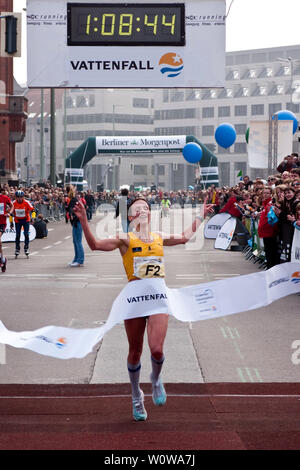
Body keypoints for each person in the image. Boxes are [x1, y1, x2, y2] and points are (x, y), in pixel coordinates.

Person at [73, 196, 214, 421]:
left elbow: (185, 237)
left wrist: (201, 214)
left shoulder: (159, 237)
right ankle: (136, 395)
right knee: (135, 351)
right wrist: (83, 222)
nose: (142, 211)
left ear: (151, 214)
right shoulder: (125, 239)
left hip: (158, 299)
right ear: (130, 217)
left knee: (157, 350)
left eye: (146, 208)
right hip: (135, 301)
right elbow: (95, 245)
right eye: (137, 208)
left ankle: (156, 380)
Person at [257, 187, 280, 269]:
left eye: (267, 193)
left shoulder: (270, 204)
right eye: (264, 193)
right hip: (265, 232)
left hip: (270, 232)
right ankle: (270, 267)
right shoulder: (265, 204)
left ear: (271, 194)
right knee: (268, 251)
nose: (265, 194)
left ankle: (271, 268)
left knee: (271, 252)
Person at [10, 190, 33, 257]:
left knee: (26, 234)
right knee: (17, 235)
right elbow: (11, 214)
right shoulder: (13, 203)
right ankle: (17, 248)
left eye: (21, 197)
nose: (19, 198)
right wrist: (11, 222)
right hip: (17, 221)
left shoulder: (26, 202)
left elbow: (33, 210)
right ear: (16, 197)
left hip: (25, 220)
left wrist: (33, 218)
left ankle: (26, 247)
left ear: (23, 197)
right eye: (18, 197)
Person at [67, 186, 84, 267]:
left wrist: (73, 217)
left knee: (78, 241)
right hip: (76, 222)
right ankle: (76, 259)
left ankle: (80, 260)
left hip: (77, 222)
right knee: (75, 241)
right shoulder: (74, 199)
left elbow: (77, 211)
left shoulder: (74, 200)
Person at [0, 185, 13, 272]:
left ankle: (2, 259)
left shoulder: (4, 198)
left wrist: (9, 213)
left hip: (1, 223)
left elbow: (12, 206)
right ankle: (3, 260)